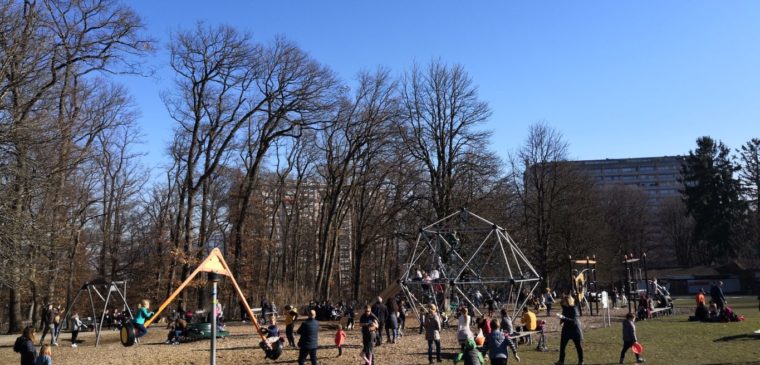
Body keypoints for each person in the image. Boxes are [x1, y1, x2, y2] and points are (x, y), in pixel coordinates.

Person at [556, 295, 584, 365]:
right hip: (566, 329)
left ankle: (581, 361)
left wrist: (564, 318)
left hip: (575, 330)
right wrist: (561, 320)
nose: (563, 302)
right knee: (562, 346)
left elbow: (574, 321)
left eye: (565, 301)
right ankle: (561, 361)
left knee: (578, 346)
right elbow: (563, 311)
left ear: (568, 302)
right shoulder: (565, 308)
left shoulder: (574, 309)